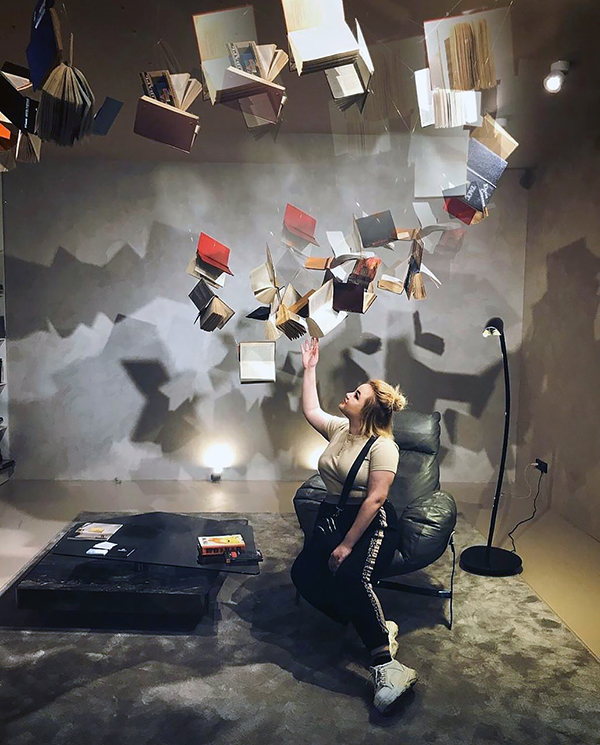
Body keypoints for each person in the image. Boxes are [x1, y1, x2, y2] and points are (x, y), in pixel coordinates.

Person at [291, 337, 418, 713]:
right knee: (304, 574)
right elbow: (310, 409)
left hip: (370, 523)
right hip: (333, 516)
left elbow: (375, 498)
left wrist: (347, 545)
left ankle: (388, 666)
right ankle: (375, 625)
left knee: (351, 578)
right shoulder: (341, 430)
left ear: (369, 410)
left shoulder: (383, 447)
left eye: (357, 394)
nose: (349, 394)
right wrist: (310, 368)